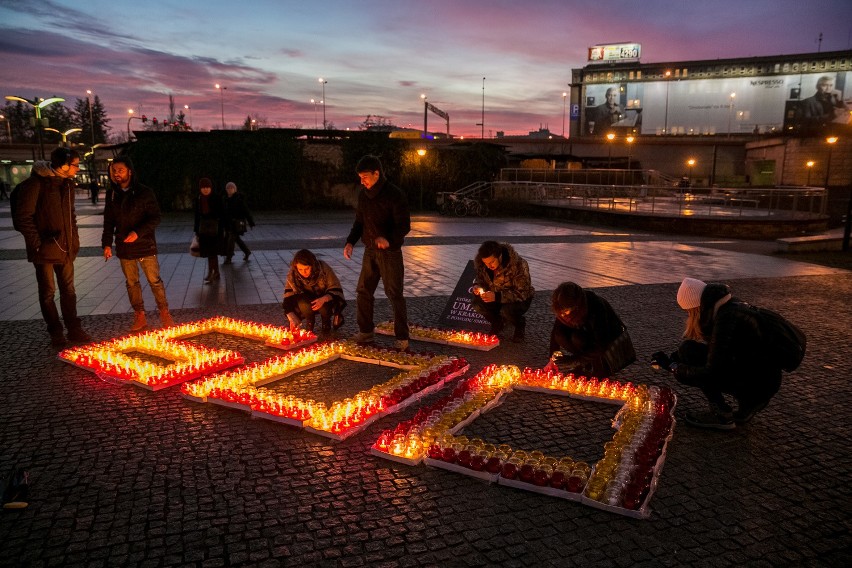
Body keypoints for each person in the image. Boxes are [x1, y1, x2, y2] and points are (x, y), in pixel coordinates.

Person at [650, 278, 783, 430]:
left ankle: (722, 415)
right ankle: (749, 403)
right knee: (686, 352)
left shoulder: (726, 320)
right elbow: (719, 351)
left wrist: (675, 367)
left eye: (688, 311)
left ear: (696, 308)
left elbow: (712, 369)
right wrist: (674, 358)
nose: (688, 316)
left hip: (760, 382)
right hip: (763, 377)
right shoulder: (728, 307)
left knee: (689, 353)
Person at [12, 147, 91, 348]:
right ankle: (56, 332)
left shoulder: (66, 184)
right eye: (75, 164)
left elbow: (70, 215)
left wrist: (74, 241)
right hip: (44, 251)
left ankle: (74, 329)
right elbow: (23, 217)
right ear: (64, 165)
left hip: (65, 248)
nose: (77, 168)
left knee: (69, 291)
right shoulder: (36, 184)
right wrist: (37, 244)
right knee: (48, 292)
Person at [344, 155, 411, 350]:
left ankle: (402, 337)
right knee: (363, 291)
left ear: (376, 173)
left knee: (394, 293)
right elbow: (359, 221)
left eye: (365, 177)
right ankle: (365, 332)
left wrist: (388, 239)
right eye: (360, 177)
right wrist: (350, 242)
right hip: (370, 251)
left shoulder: (395, 194)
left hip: (390, 253)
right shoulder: (364, 195)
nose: (362, 181)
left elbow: (404, 225)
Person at [101, 156, 173, 331]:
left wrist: (138, 232)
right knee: (132, 283)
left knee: (154, 281)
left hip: (145, 245)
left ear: (130, 171)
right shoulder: (112, 195)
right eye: (114, 170)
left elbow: (155, 217)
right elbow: (109, 221)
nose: (117, 174)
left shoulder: (144, 192)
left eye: (120, 170)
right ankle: (139, 315)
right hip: (125, 247)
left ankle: (164, 312)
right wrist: (107, 244)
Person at [543, 282, 635, 378]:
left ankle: (598, 369)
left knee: (578, 338)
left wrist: (574, 360)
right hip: (588, 343)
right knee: (561, 336)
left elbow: (601, 344)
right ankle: (584, 363)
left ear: (576, 306)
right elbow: (556, 332)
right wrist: (552, 359)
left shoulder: (596, 306)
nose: (563, 315)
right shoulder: (563, 309)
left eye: (566, 311)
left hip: (608, 346)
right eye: (561, 312)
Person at [471, 240, 534, 342]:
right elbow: (480, 279)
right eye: (486, 263)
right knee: (477, 304)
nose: (489, 266)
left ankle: (519, 324)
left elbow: (523, 293)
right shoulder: (483, 265)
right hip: (495, 296)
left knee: (506, 311)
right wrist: (477, 286)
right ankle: (497, 323)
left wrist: (497, 296)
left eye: (492, 262)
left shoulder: (518, 265)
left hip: (518, 300)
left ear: (499, 256)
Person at [283, 249, 347, 337]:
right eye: (300, 269)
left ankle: (326, 322)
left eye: (307, 269)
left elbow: (335, 287)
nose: (303, 272)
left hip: (324, 299)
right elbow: (288, 296)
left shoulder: (323, 268)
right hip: (306, 301)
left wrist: (324, 298)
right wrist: (290, 315)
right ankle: (310, 322)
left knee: (324, 307)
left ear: (312, 265)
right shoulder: (293, 274)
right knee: (302, 302)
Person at [193, 178, 224, 284]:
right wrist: (196, 230)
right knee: (209, 252)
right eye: (203, 188)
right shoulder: (199, 199)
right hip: (204, 230)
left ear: (211, 188)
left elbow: (222, 213)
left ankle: (213, 272)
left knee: (212, 253)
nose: (205, 190)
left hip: (215, 229)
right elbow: (197, 215)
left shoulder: (216, 198)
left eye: (207, 187)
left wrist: (222, 228)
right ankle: (215, 272)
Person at [222, 181, 255, 264]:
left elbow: (246, 211)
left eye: (231, 188)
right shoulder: (225, 199)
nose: (230, 189)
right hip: (228, 224)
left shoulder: (239, 199)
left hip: (236, 224)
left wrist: (250, 222)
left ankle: (229, 258)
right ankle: (247, 252)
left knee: (231, 240)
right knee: (236, 239)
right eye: (228, 188)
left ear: (235, 189)